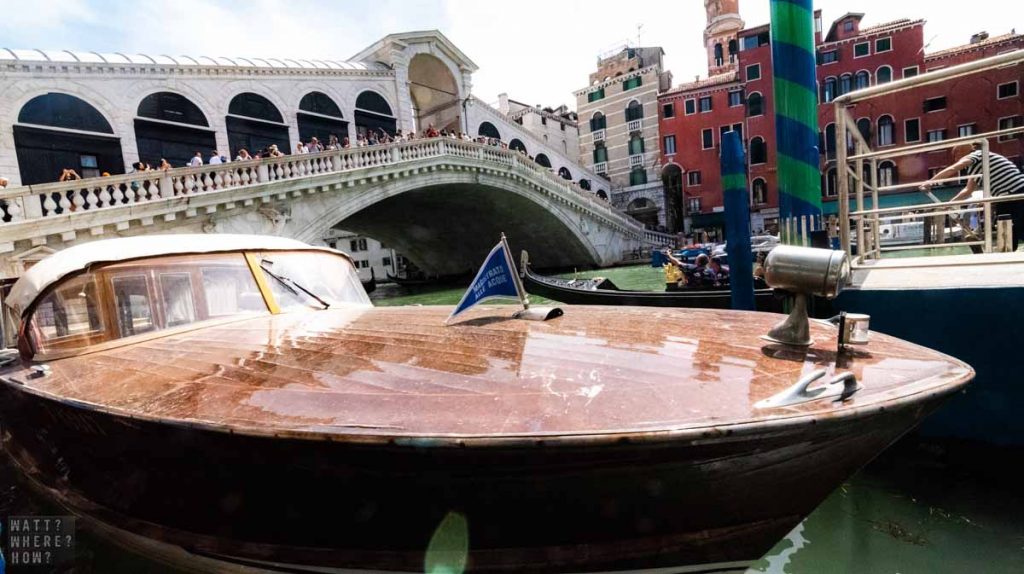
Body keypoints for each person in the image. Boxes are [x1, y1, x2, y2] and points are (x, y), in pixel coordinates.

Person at [921, 142, 1024, 250]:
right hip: (1008, 197)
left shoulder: (977, 155)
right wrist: (950, 203)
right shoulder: (978, 165)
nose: (955, 158)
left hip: (1014, 193)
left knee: (1010, 230)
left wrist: (930, 182)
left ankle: (1003, 256)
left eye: (955, 155)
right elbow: (967, 190)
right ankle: (1003, 256)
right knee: (1009, 230)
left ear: (960, 152)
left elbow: (953, 169)